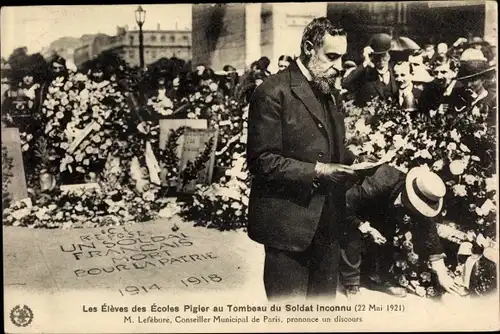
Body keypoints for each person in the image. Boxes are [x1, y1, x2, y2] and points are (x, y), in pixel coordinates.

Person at [247, 17, 362, 300]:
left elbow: (331, 146)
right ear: (309, 48)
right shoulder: (273, 92)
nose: (339, 66)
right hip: (288, 227)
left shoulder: (328, 90)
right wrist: (321, 170)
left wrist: (359, 160)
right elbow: (261, 160)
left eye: (342, 57)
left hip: (329, 223)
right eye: (332, 56)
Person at [340, 164, 463, 298]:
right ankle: (351, 282)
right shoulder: (380, 183)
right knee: (352, 233)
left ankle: (376, 278)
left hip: (381, 211)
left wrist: (442, 274)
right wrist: (366, 227)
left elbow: (429, 232)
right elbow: (346, 206)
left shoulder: (424, 193)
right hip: (350, 207)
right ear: (408, 194)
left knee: (386, 235)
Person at [341, 33, 397, 107]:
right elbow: (345, 83)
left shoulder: (396, 72)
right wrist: (366, 61)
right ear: (372, 56)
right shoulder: (366, 74)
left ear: (389, 56)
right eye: (377, 56)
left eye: (383, 55)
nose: (381, 60)